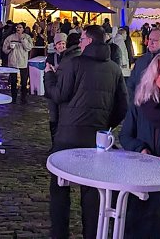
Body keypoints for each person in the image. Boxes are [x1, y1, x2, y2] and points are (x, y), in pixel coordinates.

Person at [44, 25, 128, 239]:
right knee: (92, 192)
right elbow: (122, 106)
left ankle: (59, 234)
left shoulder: (74, 63)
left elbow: (59, 95)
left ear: (89, 41)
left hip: (67, 136)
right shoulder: (114, 69)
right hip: (96, 139)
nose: (79, 42)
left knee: (59, 189)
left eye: (82, 39)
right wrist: (105, 126)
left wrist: (49, 77)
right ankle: (91, 234)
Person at [119, 53, 160, 238]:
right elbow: (125, 135)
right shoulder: (141, 103)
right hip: (142, 174)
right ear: (153, 75)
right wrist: (141, 149)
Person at [44, 32, 82, 139]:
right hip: (53, 91)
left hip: (64, 90)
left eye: (63, 43)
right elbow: (46, 74)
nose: (62, 46)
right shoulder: (51, 57)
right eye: (59, 44)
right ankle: (54, 139)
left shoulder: (69, 57)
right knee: (54, 117)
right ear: (55, 45)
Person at [126, 27, 160, 97]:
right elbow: (131, 83)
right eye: (150, 39)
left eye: (155, 40)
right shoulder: (141, 60)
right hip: (139, 101)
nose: (151, 43)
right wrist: (133, 101)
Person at [2, 22, 33, 104]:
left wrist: (23, 40)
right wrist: (9, 48)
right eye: (17, 27)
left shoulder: (27, 37)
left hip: (23, 61)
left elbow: (29, 48)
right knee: (13, 81)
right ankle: (14, 97)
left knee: (24, 81)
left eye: (20, 27)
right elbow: (4, 49)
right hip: (13, 61)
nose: (18, 29)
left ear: (23, 29)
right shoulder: (10, 37)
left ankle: (23, 97)